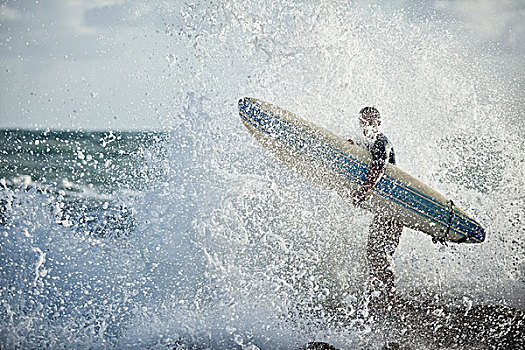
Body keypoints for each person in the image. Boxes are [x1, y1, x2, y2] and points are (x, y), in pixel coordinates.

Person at [347, 107, 403, 309]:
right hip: (385, 209)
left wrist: (364, 191)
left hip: (395, 208)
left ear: (379, 123)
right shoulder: (368, 143)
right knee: (375, 252)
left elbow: (380, 167)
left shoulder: (382, 141)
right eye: (363, 121)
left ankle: (390, 298)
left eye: (371, 121)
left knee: (379, 252)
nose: (367, 125)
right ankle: (383, 297)